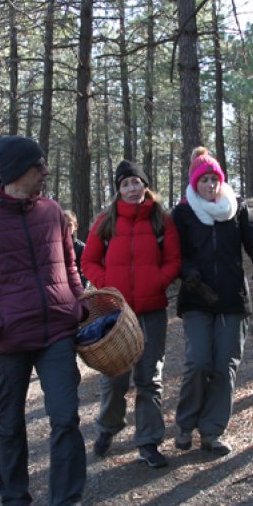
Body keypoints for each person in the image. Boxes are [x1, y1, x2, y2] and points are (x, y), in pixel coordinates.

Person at [0, 135, 99, 506]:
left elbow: (69, 264)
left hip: (56, 335)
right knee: (10, 423)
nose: (45, 173)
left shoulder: (52, 212)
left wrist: (77, 302)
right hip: (8, 341)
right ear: (18, 171)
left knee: (66, 418)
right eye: (39, 167)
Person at [80, 160, 182, 469]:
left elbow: (174, 259)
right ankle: (108, 428)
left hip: (151, 312)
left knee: (149, 378)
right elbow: (88, 261)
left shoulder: (162, 220)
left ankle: (148, 442)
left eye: (136, 182)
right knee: (115, 378)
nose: (132, 188)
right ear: (118, 190)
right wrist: (109, 286)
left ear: (145, 184)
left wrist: (158, 282)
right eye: (125, 184)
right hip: (116, 313)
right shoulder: (105, 221)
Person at [171, 147, 253, 456]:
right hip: (197, 298)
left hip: (232, 299)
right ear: (195, 182)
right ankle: (186, 424)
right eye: (204, 180)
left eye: (215, 179)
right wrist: (188, 273)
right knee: (199, 362)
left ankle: (212, 432)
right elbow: (175, 255)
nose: (211, 185)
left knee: (225, 366)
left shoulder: (236, 208)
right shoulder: (183, 213)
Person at [62, 209, 89, 289]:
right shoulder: (55, 247)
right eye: (62, 224)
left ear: (75, 226)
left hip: (76, 288)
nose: (65, 228)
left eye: (69, 225)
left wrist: (82, 288)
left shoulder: (81, 248)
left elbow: (86, 273)